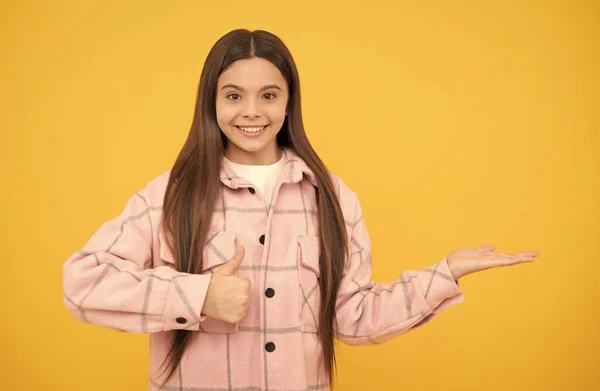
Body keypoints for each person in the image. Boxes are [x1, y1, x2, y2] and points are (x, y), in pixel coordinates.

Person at [62, 29, 539, 391]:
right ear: (212, 103)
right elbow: (82, 284)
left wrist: (445, 273)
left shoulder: (331, 197)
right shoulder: (170, 195)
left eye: (269, 95)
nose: (252, 111)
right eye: (233, 96)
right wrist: (199, 295)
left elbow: (352, 318)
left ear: (289, 103)